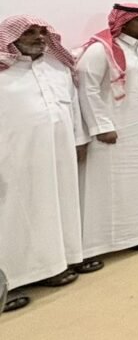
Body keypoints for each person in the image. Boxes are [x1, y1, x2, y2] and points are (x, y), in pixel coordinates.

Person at [0, 16, 90, 313]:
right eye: (29, 32)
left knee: (54, 207)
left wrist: (79, 139)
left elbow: (72, 107)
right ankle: (11, 281)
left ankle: (53, 266)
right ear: (11, 38)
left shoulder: (57, 67)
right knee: (14, 214)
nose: (39, 37)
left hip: (57, 153)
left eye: (42, 32)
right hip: (13, 157)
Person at [76, 3, 138, 265]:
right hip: (115, 129)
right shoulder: (100, 50)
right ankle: (98, 244)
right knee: (110, 185)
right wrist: (101, 126)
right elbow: (88, 88)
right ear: (123, 22)